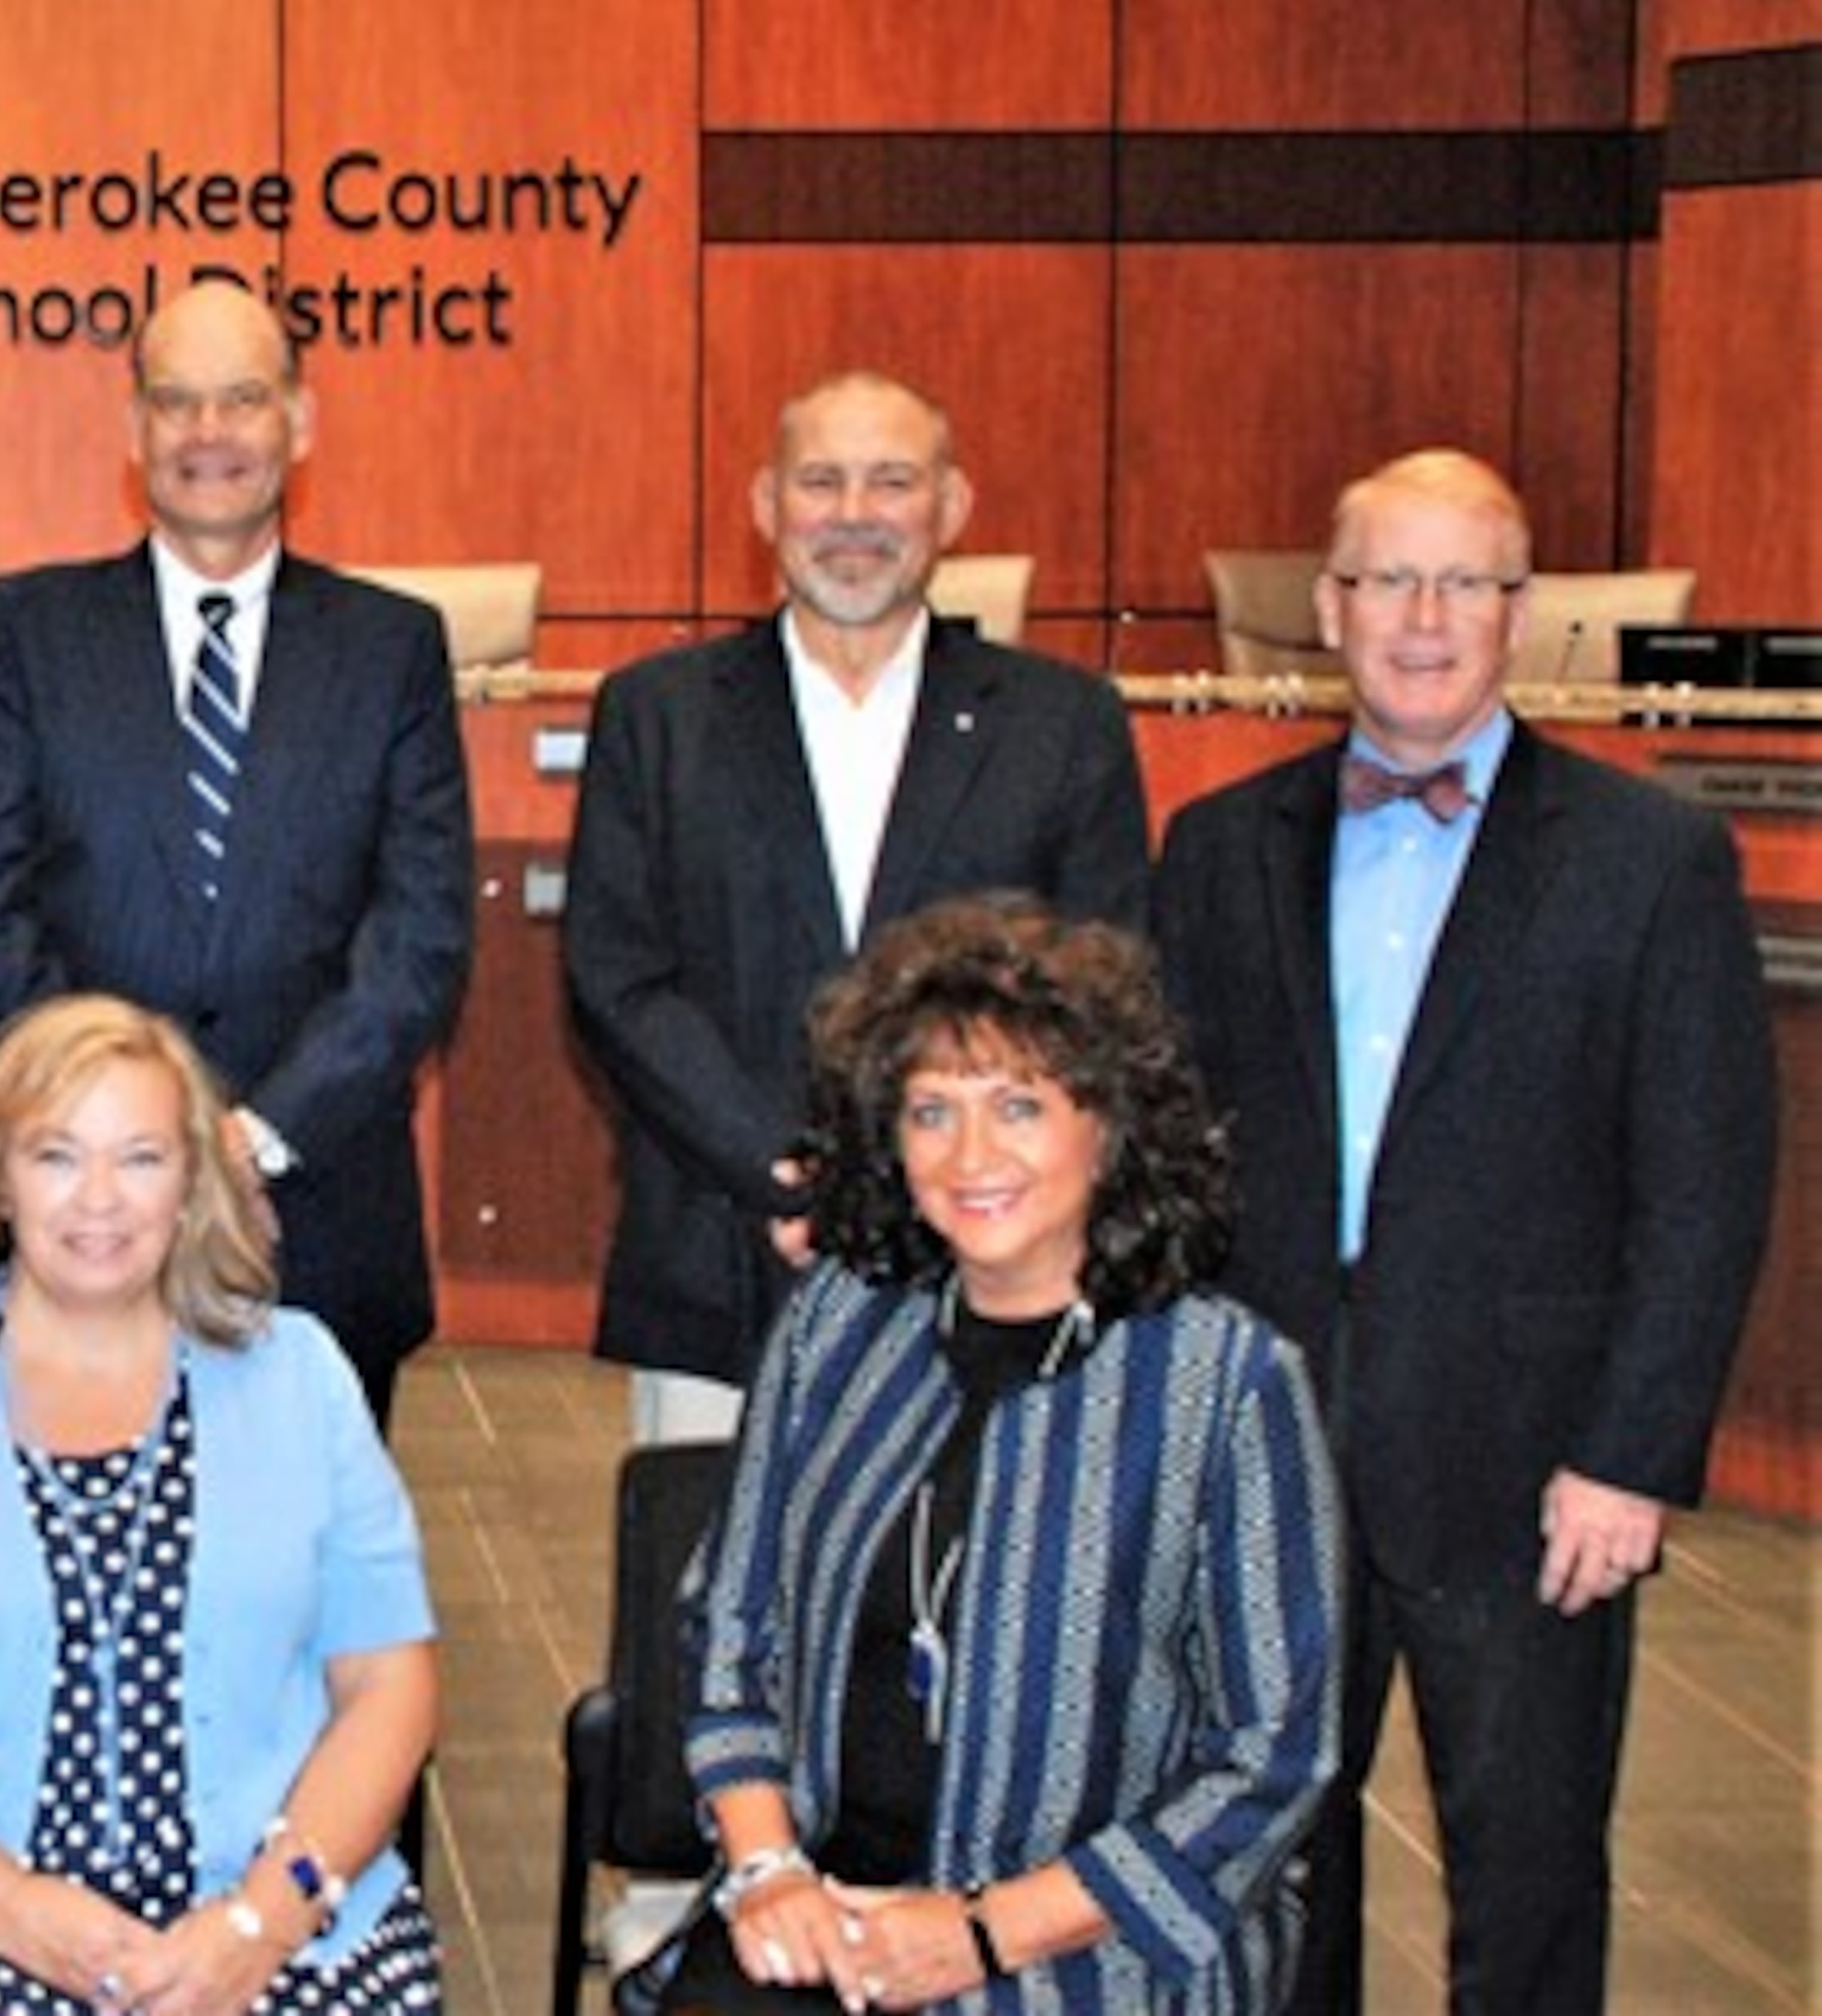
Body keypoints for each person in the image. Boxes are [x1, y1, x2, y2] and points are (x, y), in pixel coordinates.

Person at [1153, 449, 1777, 2015]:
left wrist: (1634, 1453)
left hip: (1534, 1469)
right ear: (1328, 607)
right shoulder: (1221, 848)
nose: (1422, 619)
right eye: (1387, 581)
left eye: (1464, 583)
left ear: (1521, 613)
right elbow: (1164, 1148)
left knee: (1530, 1885)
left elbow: (1704, 1187)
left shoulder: (1652, 862)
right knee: (1267, 1872)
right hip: (1265, 1452)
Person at [660, 896, 1340, 2014]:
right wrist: (770, 1868)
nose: (970, 1154)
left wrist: (980, 1934)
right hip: (829, 1904)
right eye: (931, 1111)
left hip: (1094, 1952)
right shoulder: (842, 1320)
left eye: (1019, 1105)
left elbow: (1270, 1760)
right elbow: (728, 1624)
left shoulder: (1226, 1380)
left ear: (1109, 1126)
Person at [0, 994, 444, 2014]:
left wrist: (260, 1922)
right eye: (57, 1156)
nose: (99, 1200)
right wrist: (16, 1910)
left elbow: (390, 1686)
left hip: (263, 1909)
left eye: (143, 1158)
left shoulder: (303, 1379)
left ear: (195, 1183)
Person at [565, 370, 1151, 1452]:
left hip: (986, 1260)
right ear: (765, 505)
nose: (853, 515)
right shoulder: (659, 716)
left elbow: (1101, 995)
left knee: (966, 1608)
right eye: (821, 481)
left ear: (952, 508)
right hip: (723, 1258)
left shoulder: (1061, 725)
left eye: (892, 482)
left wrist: (918, 1174)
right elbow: (616, 976)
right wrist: (792, 1174)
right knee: (709, 1602)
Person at [0, 276, 474, 1428]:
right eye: (178, 403)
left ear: (299, 422)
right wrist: (131, 1148)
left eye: (243, 399)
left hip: (319, 1212)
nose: (210, 434)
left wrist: (253, 1145)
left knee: (306, 1589)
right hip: (79, 1215)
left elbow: (417, 940)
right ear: (135, 432)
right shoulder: (24, 631)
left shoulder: (393, 648)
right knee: (79, 1579)